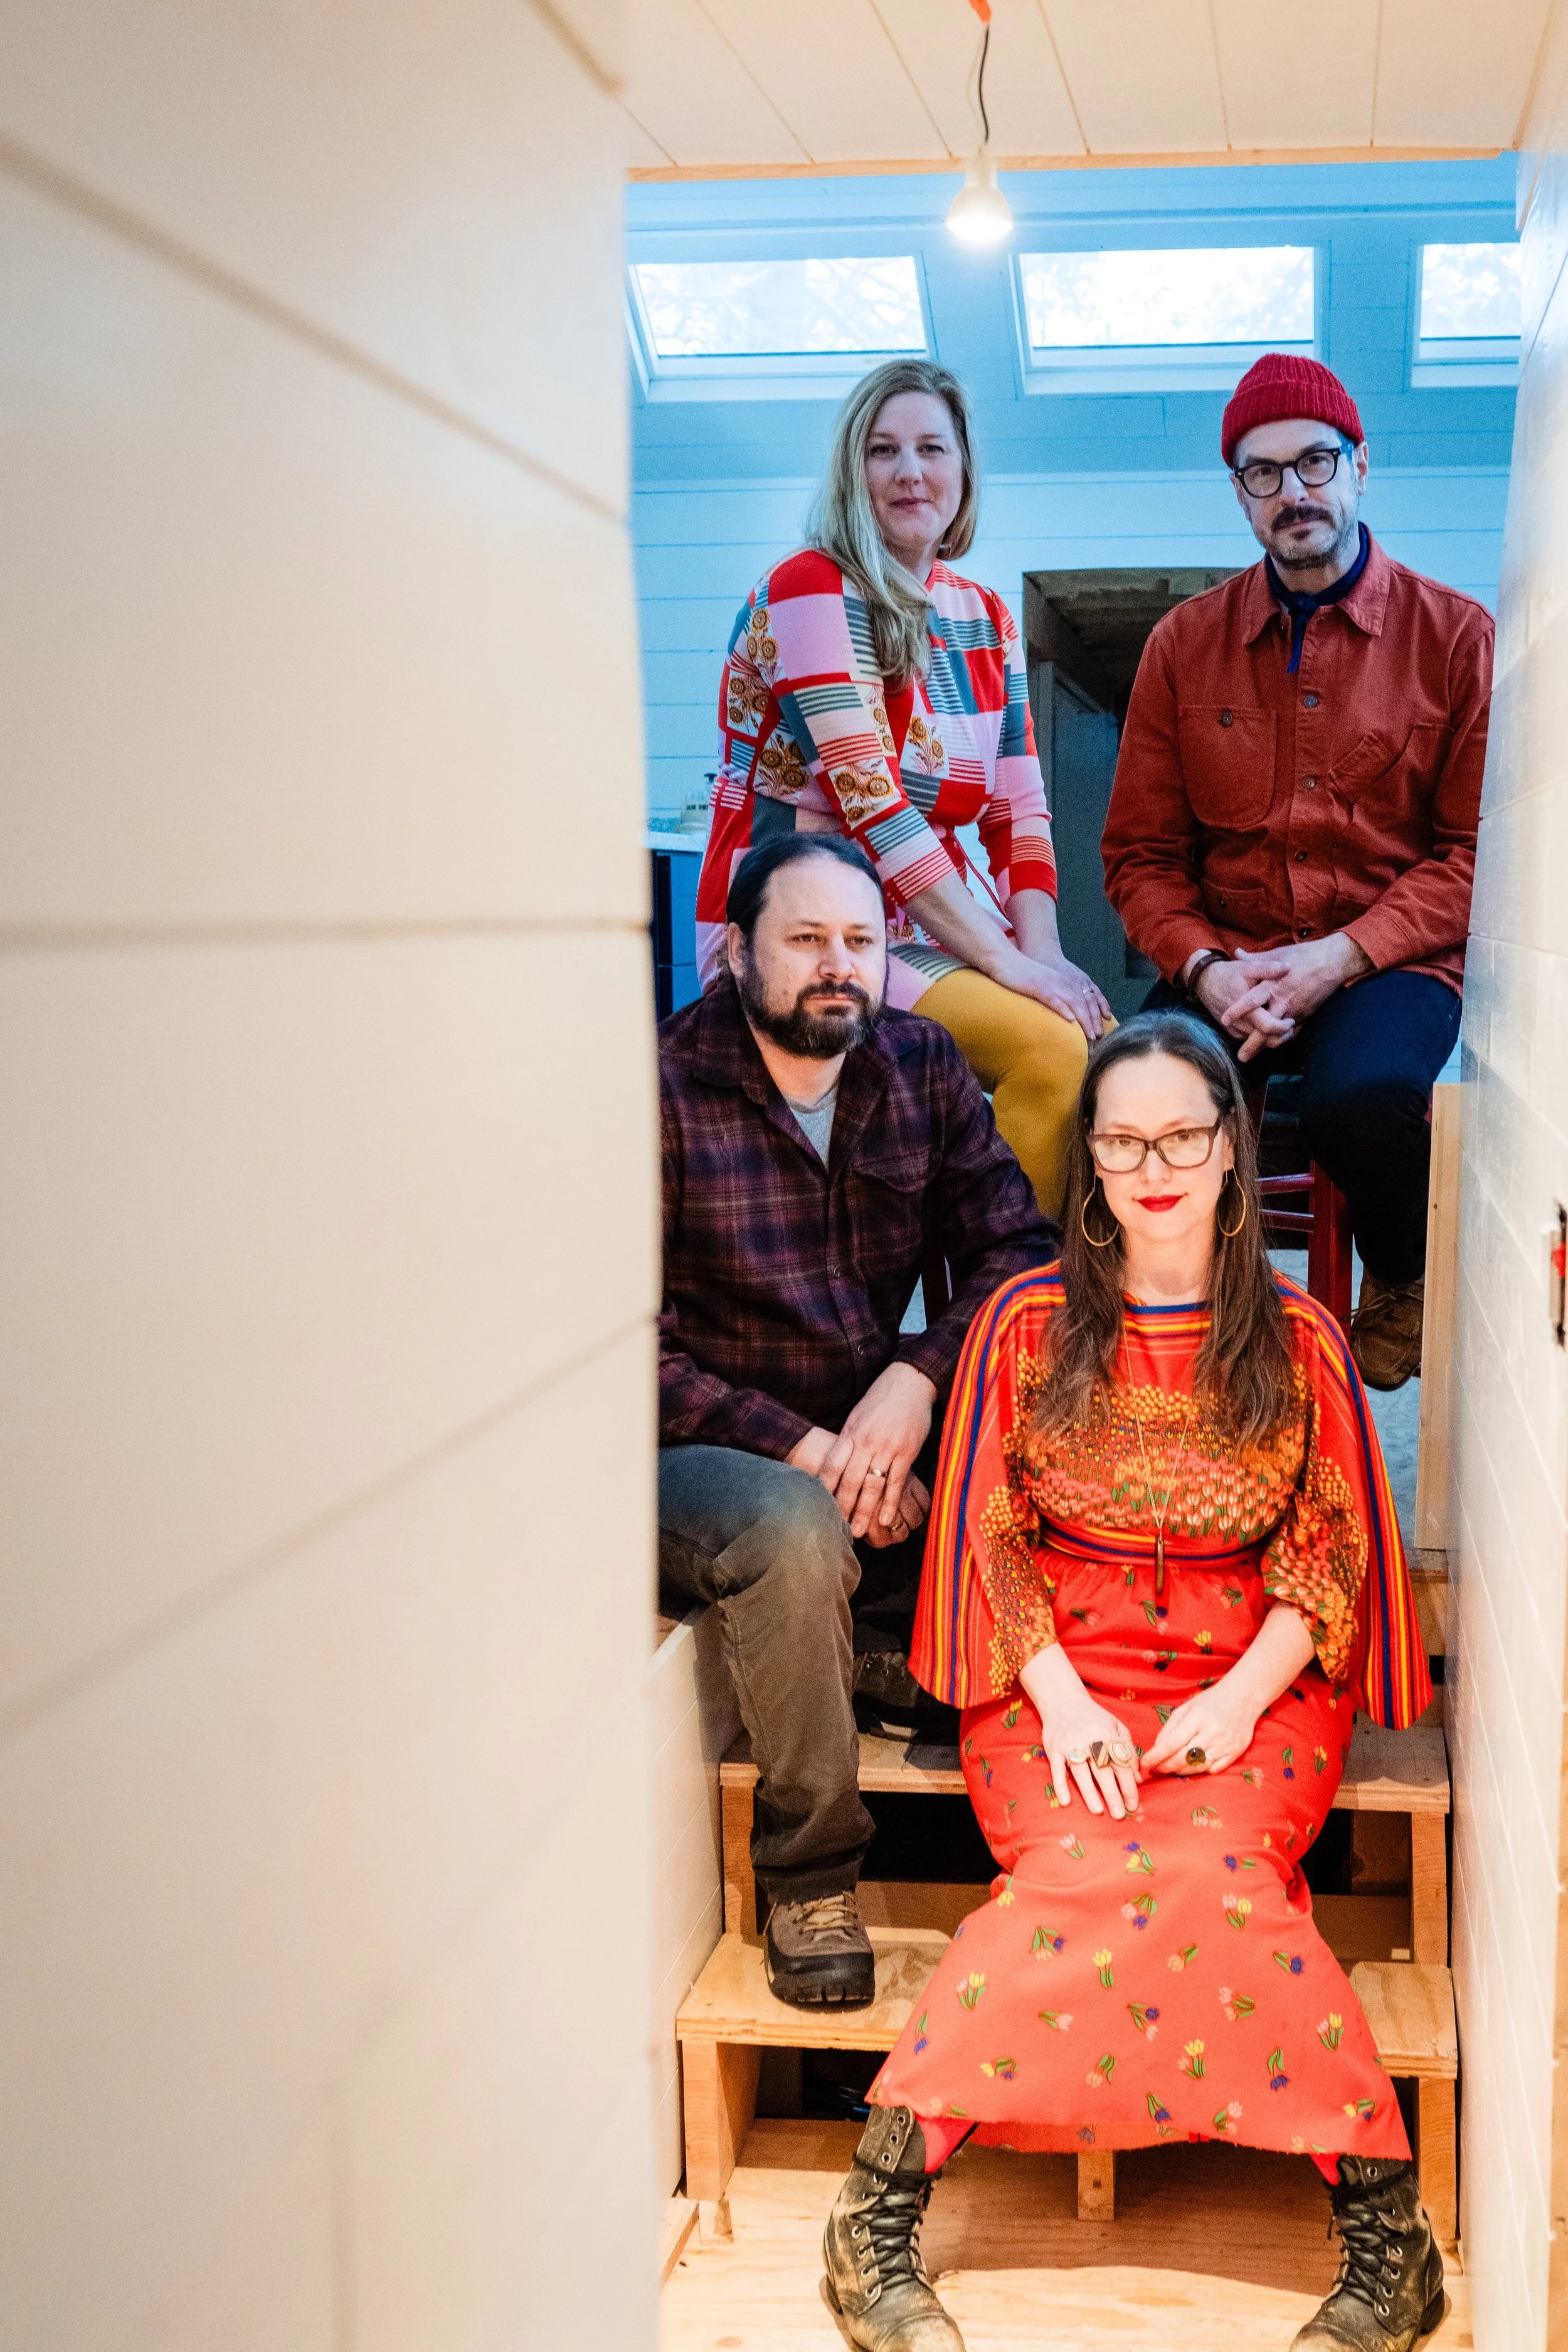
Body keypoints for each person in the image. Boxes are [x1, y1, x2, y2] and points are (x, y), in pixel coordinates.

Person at [820, 1009, 1440, 2352]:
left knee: (1218, 1876)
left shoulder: (1301, 1337)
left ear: (1229, 1149)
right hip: (1051, 1658)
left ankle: (1385, 2243)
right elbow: (983, 1538)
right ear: (1089, 1166)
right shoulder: (1022, 1324)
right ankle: (876, 2206)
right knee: (1071, 1873)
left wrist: (1236, 1697)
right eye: (1119, 1140)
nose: (1150, 1164)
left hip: (1252, 1668)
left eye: (1178, 1135)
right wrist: (1060, 1699)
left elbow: (1328, 1547)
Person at [659, 833, 1056, 2008]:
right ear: (735, 953)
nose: (839, 965)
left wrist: (918, 1378)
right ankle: (810, 1874)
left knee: (1035, 1434)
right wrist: (813, 1447)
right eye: (805, 938)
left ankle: (922, 1672)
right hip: (703, 1454)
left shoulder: (918, 1064)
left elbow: (1017, 1254)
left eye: (861, 941)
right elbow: (624, 1345)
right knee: (790, 1527)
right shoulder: (658, 1090)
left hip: (872, 1431)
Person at [1101, 351, 1491, 1391]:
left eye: (1315, 463)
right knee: (1143, 1091)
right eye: (1262, 474)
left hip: (1387, 962)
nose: (1294, 493)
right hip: (1225, 958)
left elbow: (1472, 856)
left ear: (1361, 465)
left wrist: (1338, 957)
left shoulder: (1457, 638)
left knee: (1359, 1101)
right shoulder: (1183, 646)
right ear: (1240, 493)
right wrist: (1204, 968)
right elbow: (1138, 857)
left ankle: (1400, 1274)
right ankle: (1188, 1317)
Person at [693, 357, 1111, 1219]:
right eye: (883, 451)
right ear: (854, 471)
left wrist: (1045, 953)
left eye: (932, 447)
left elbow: (1017, 808)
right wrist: (1008, 967)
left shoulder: (984, 616)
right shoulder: (808, 588)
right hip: (807, 919)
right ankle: (1007, 1312)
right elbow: (872, 805)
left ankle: (1036, 1306)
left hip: (936, 917)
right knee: (1049, 1045)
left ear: (964, 468)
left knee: (1094, 1036)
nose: (911, 471)